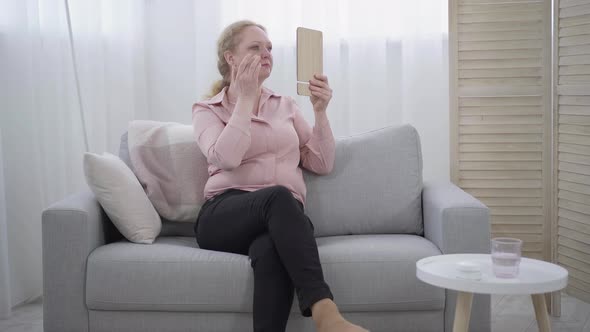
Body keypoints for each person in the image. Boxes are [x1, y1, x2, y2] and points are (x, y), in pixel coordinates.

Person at [192, 20, 369, 332]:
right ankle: (326, 315)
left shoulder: (284, 105)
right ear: (231, 58)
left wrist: (319, 111)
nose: (266, 53)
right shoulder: (207, 109)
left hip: (282, 218)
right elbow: (225, 157)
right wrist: (245, 99)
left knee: (271, 250)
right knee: (278, 196)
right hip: (224, 215)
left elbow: (322, 162)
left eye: (270, 48)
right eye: (255, 47)